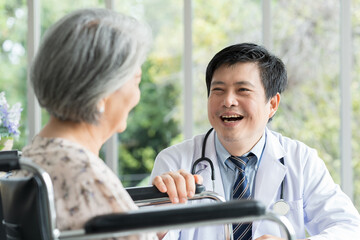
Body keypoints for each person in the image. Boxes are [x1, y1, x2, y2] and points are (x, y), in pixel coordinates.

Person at [150, 43, 360, 240]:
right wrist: (157, 224)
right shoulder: (175, 162)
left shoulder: (301, 160)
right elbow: (147, 236)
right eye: (218, 90)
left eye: (243, 90)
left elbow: (349, 228)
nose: (228, 101)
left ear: (272, 104)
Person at [10, 8, 158, 240]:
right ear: (102, 91)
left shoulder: (31, 160)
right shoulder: (85, 178)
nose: (137, 96)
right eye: (136, 79)